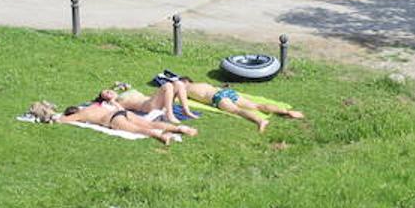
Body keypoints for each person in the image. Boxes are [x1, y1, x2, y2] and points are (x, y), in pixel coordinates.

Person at [177, 77, 305, 132]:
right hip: (225, 91)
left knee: (237, 111)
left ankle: (260, 121)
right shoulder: (203, 83)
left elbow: (177, 96)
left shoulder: (185, 88)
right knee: (257, 105)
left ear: (184, 82)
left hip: (217, 97)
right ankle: (286, 112)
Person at [60, 96, 198, 146]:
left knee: (138, 130)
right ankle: (180, 128)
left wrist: (54, 117)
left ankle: (159, 135)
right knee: (149, 123)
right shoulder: (93, 106)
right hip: (122, 112)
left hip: (113, 119)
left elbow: (64, 120)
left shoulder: (81, 114)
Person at [110, 82, 200, 124]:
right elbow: (119, 110)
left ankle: (186, 111)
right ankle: (169, 114)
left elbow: (124, 85)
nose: (109, 92)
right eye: (107, 93)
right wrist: (112, 101)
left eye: (109, 91)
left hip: (153, 101)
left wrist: (119, 85)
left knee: (179, 84)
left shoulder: (126, 93)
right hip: (147, 106)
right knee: (167, 86)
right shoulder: (118, 101)